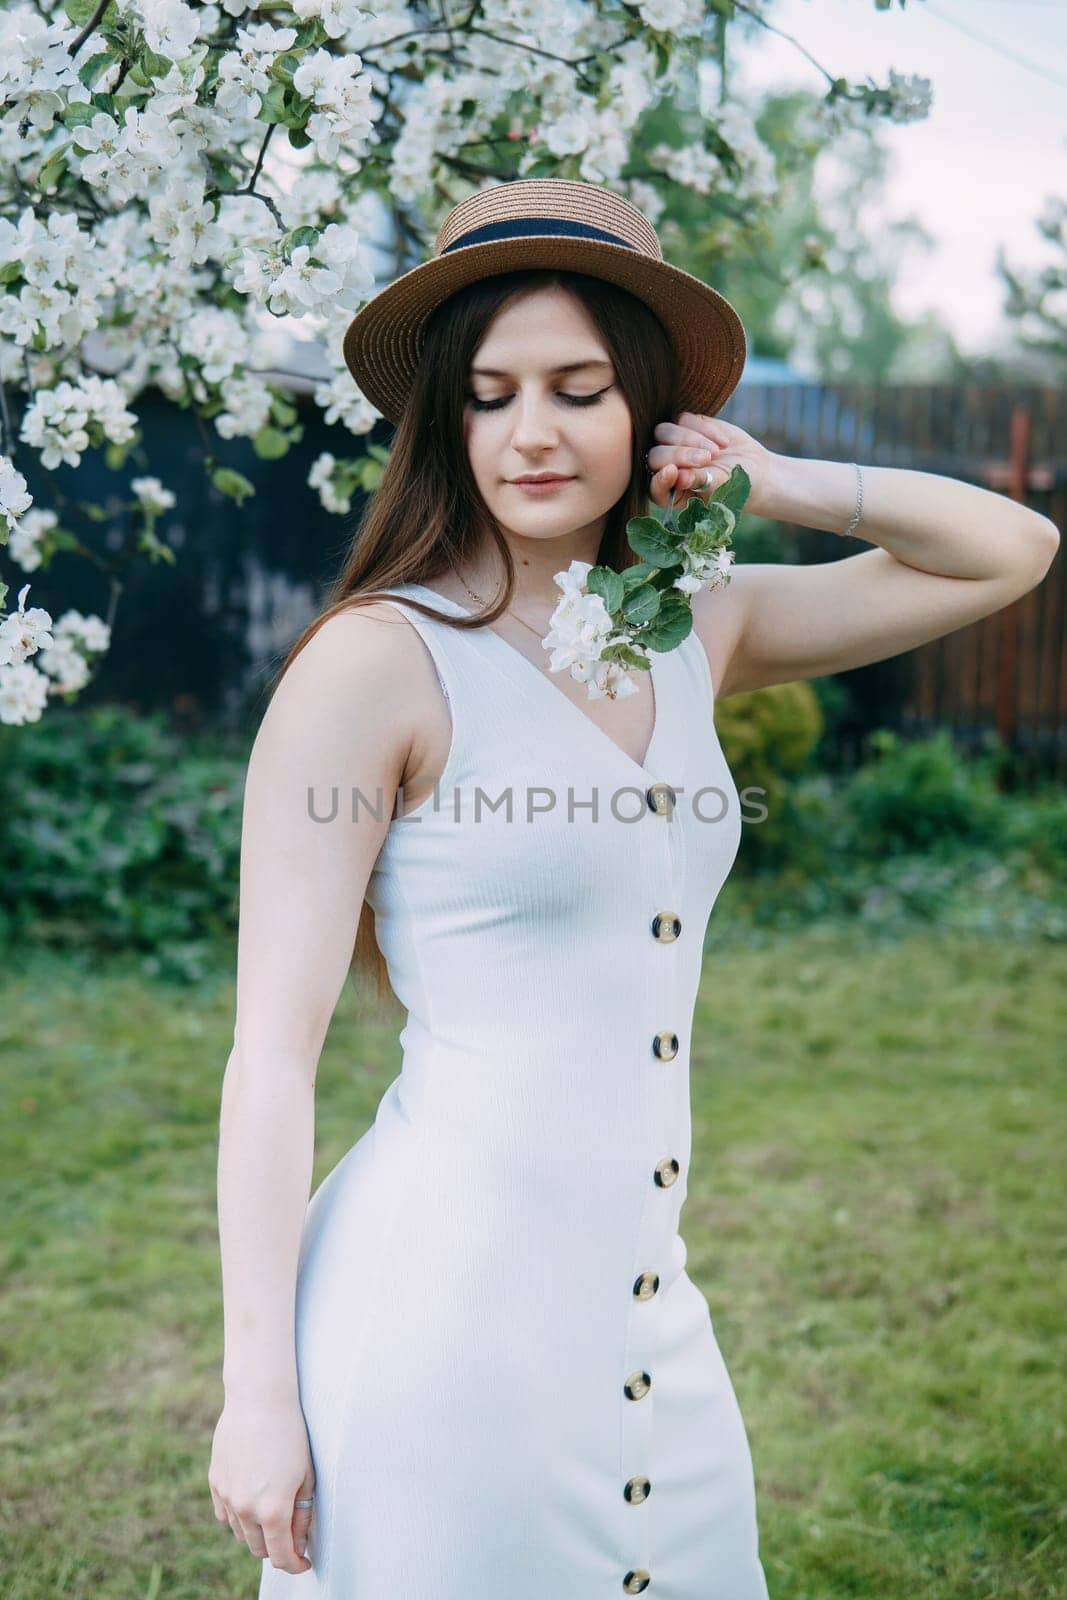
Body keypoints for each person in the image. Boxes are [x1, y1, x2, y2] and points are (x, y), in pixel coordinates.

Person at [207, 178, 1060, 1597]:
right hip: (440, 1324)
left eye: (579, 386)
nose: (531, 430)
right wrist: (257, 1391)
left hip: (648, 1309)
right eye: (489, 395)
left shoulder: (700, 621)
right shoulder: (377, 664)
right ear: (448, 422)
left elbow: (1011, 549)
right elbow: (271, 1057)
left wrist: (771, 482)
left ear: (648, 406)